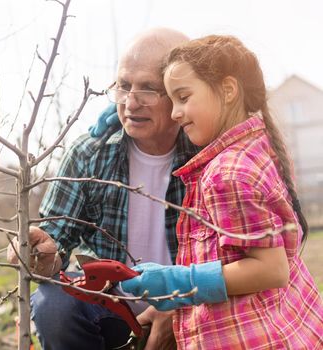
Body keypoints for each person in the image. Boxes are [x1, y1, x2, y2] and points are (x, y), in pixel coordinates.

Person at [121, 35, 323, 349]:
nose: (175, 112)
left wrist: (178, 282)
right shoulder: (259, 146)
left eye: (183, 97)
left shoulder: (227, 173)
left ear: (228, 91)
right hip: (280, 325)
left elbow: (271, 268)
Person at [8, 27, 200, 350]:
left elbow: (238, 262)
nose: (131, 102)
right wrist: (42, 254)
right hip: (117, 314)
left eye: (148, 89)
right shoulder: (89, 155)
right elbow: (57, 242)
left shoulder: (206, 154)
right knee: (53, 305)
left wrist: (181, 307)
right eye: (123, 86)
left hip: (198, 308)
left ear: (179, 93)